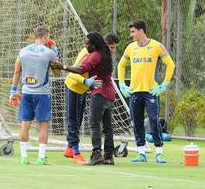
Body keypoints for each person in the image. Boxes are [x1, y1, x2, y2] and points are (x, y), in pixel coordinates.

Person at [51, 32, 115, 165]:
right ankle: (102, 155)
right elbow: (76, 73)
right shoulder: (97, 53)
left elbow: (80, 70)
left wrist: (62, 66)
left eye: (87, 43)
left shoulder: (96, 54)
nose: (85, 45)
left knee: (92, 124)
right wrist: (86, 81)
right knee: (83, 122)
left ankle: (95, 154)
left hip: (97, 91)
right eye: (111, 46)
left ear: (95, 44)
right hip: (87, 88)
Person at [117, 20, 175, 163]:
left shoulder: (156, 46)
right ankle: (141, 153)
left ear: (141, 30)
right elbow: (121, 65)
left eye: (133, 31)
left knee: (154, 121)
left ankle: (159, 152)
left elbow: (170, 64)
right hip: (134, 92)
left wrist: (164, 84)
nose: (131, 35)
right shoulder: (130, 48)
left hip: (151, 92)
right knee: (137, 123)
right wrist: (123, 84)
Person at [9, 26, 60, 165]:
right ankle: (41, 158)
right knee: (43, 126)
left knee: (24, 125)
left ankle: (24, 158)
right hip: (42, 94)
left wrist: (13, 90)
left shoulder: (23, 51)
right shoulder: (49, 53)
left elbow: (17, 71)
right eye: (48, 37)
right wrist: (56, 52)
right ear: (45, 37)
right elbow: (57, 73)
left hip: (26, 93)